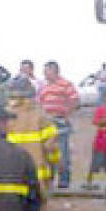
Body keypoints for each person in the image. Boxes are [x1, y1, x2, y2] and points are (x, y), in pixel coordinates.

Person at [5, 74, 58, 198]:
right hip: (37, 174)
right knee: (36, 209)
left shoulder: (3, 117)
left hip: (11, 174)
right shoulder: (41, 116)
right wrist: (55, 162)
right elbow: (51, 147)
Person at [37, 60, 79, 190]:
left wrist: (67, 114)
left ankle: (64, 181)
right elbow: (39, 102)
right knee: (48, 150)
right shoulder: (43, 86)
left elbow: (75, 100)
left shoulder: (66, 84)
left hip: (60, 121)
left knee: (63, 151)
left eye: (47, 71)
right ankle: (50, 179)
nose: (45, 74)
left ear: (55, 71)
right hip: (47, 122)